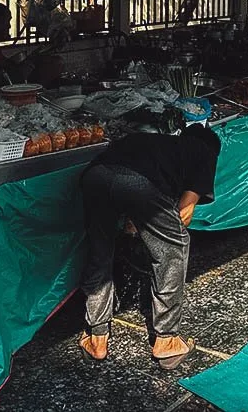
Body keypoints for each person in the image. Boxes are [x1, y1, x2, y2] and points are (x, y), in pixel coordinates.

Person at [78, 125, 221, 369]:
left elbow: (124, 184)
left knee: (100, 250)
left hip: (95, 176)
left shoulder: (153, 143)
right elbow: (183, 215)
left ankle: (96, 337)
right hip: (138, 184)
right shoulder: (203, 150)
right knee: (174, 247)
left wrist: (140, 224)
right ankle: (166, 340)